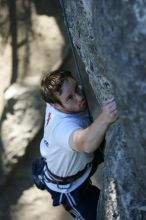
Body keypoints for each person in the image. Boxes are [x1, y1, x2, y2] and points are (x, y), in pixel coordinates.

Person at [39, 70, 118, 220]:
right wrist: (106, 116)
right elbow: (85, 143)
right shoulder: (62, 127)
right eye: (70, 98)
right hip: (70, 188)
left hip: (77, 163)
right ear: (57, 105)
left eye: (76, 88)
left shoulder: (54, 101)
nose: (79, 97)